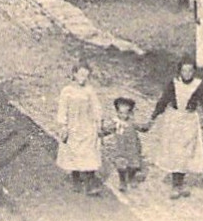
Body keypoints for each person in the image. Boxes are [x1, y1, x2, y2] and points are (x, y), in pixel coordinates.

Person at [147, 57, 203, 199]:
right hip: (175, 120)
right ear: (180, 71)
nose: (187, 73)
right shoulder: (174, 83)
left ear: (194, 72)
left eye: (190, 70)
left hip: (189, 121)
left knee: (186, 152)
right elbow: (163, 100)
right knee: (176, 151)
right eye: (184, 70)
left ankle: (181, 182)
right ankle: (175, 185)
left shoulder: (198, 85)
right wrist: (153, 116)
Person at [55, 62, 105, 196]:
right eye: (81, 74)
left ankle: (90, 184)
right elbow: (62, 109)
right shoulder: (67, 91)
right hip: (73, 126)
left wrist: (98, 123)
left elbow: (96, 107)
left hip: (87, 125)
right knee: (73, 152)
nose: (83, 78)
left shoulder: (89, 91)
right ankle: (75, 178)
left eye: (86, 75)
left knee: (90, 152)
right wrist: (63, 125)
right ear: (74, 74)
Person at [102, 96, 147, 192]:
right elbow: (108, 130)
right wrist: (102, 131)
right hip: (120, 148)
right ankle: (122, 181)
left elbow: (141, 128)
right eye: (120, 113)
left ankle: (131, 177)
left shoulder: (132, 122)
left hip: (132, 148)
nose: (123, 115)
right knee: (121, 165)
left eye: (126, 113)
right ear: (117, 112)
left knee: (133, 165)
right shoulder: (115, 123)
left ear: (130, 113)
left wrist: (146, 126)